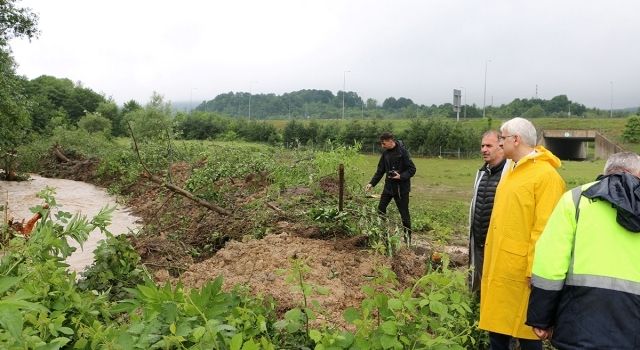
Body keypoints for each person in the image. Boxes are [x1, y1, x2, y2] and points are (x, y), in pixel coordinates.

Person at [526, 152, 640, 349]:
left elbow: (549, 266)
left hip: (578, 326)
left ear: (605, 172)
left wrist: (541, 319)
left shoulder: (575, 199)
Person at [479, 117, 565, 350]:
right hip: (501, 267)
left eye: (502, 138)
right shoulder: (512, 171)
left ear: (516, 140)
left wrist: (534, 271)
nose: (499, 143)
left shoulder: (546, 177)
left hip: (523, 274)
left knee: (527, 336)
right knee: (497, 333)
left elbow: (545, 230)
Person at [469, 130, 506, 296]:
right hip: (479, 240)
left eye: (489, 145)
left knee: (497, 287)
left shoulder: (509, 174)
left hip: (497, 244)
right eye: (482, 145)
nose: (484, 149)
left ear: (501, 146)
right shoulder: (481, 173)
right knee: (480, 281)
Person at [365, 132, 417, 245]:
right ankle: (384, 234)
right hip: (388, 188)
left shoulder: (403, 152)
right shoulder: (385, 154)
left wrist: (401, 176)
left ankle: (408, 240)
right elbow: (380, 171)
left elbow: (412, 169)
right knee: (380, 209)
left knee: (404, 215)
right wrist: (371, 183)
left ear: (390, 140)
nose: (382, 146)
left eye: (383, 143)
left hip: (401, 189)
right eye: (381, 144)